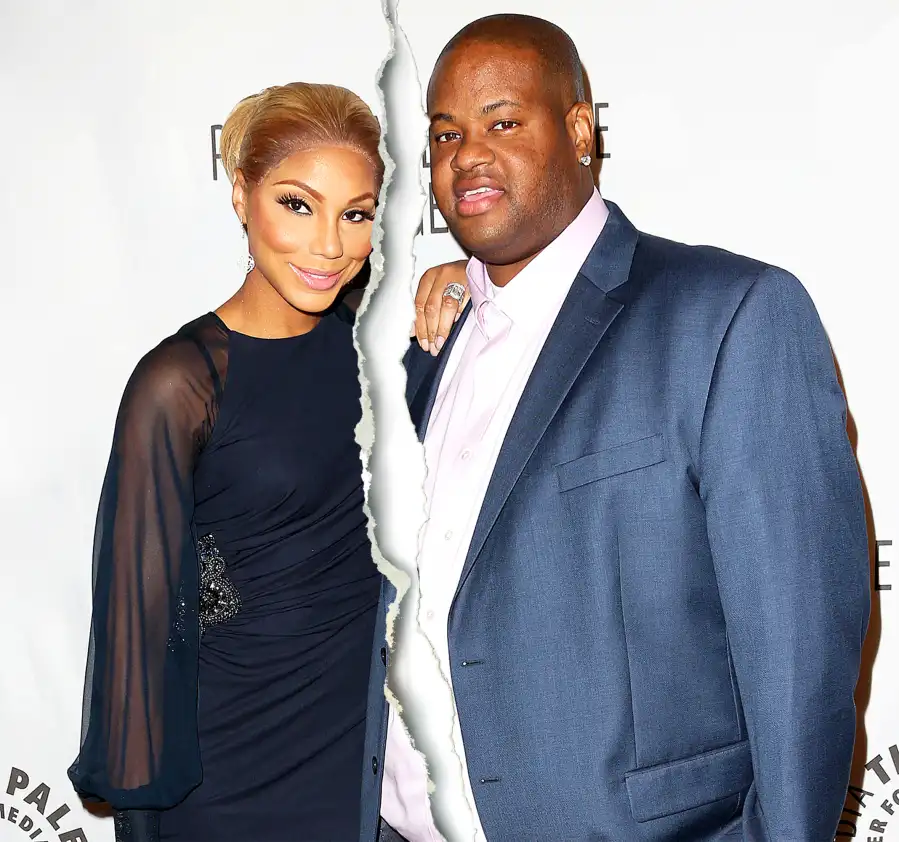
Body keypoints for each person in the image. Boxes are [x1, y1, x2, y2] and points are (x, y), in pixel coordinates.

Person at [379, 14, 871, 842]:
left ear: (578, 130)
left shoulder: (727, 316)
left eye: (503, 122)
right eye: (445, 134)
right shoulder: (431, 342)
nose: (466, 154)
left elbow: (798, 658)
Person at [68, 81, 390, 842]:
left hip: (366, 747)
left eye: (355, 214)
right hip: (233, 761)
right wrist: (138, 791)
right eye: (297, 204)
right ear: (241, 196)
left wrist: (447, 281)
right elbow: (138, 609)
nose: (328, 246)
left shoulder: (376, 336)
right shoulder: (180, 382)